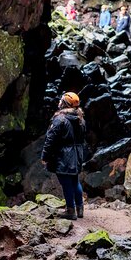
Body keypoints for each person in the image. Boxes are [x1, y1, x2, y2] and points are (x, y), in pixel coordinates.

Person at [40, 92, 87, 220]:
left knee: (66, 183)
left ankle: (70, 211)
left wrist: (45, 156)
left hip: (64, 156)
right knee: (75, 181)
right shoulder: (80, 118)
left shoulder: (60, 119)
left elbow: (50, 139)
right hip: (77, 154)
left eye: (61, 100)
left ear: (65, 103)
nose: (59, 102)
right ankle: (80, 208)